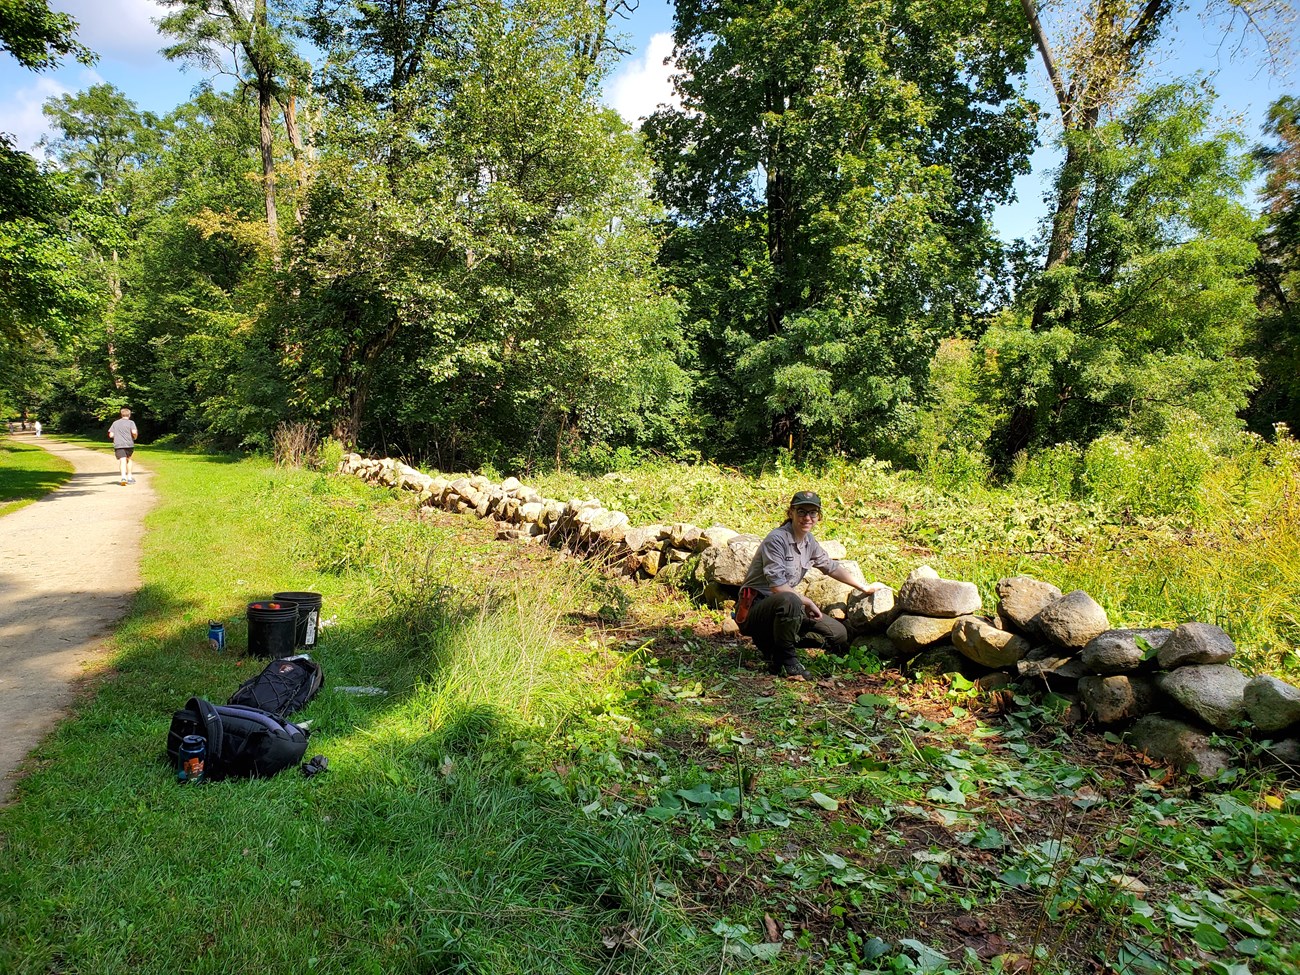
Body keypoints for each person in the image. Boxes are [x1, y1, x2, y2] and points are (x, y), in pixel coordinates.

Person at [736, 491, 887, 680]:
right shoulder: (777, 539)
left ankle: (775, 643)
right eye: (801, 512)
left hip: (786, 609)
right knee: (790, 599)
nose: (807, 517)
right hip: (756, 609)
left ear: (818, 516)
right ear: (791, 512)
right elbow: (777, 587)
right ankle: (787, 660)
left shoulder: (809, 542)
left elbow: (831, 567)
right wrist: (806, 601)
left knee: (838, 634)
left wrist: (864, 587)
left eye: (813, 513)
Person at [107, 407, 138, 485]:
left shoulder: (115, 423)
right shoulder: (131, 423)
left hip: (118, 444)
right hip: (129, 444)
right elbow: (134, 432)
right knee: (129, 460)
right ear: (129, 415)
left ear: (121, 414)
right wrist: (135, 437)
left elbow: (111, 435)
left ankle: (123, 477)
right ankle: (130, 477)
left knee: (122, 460)